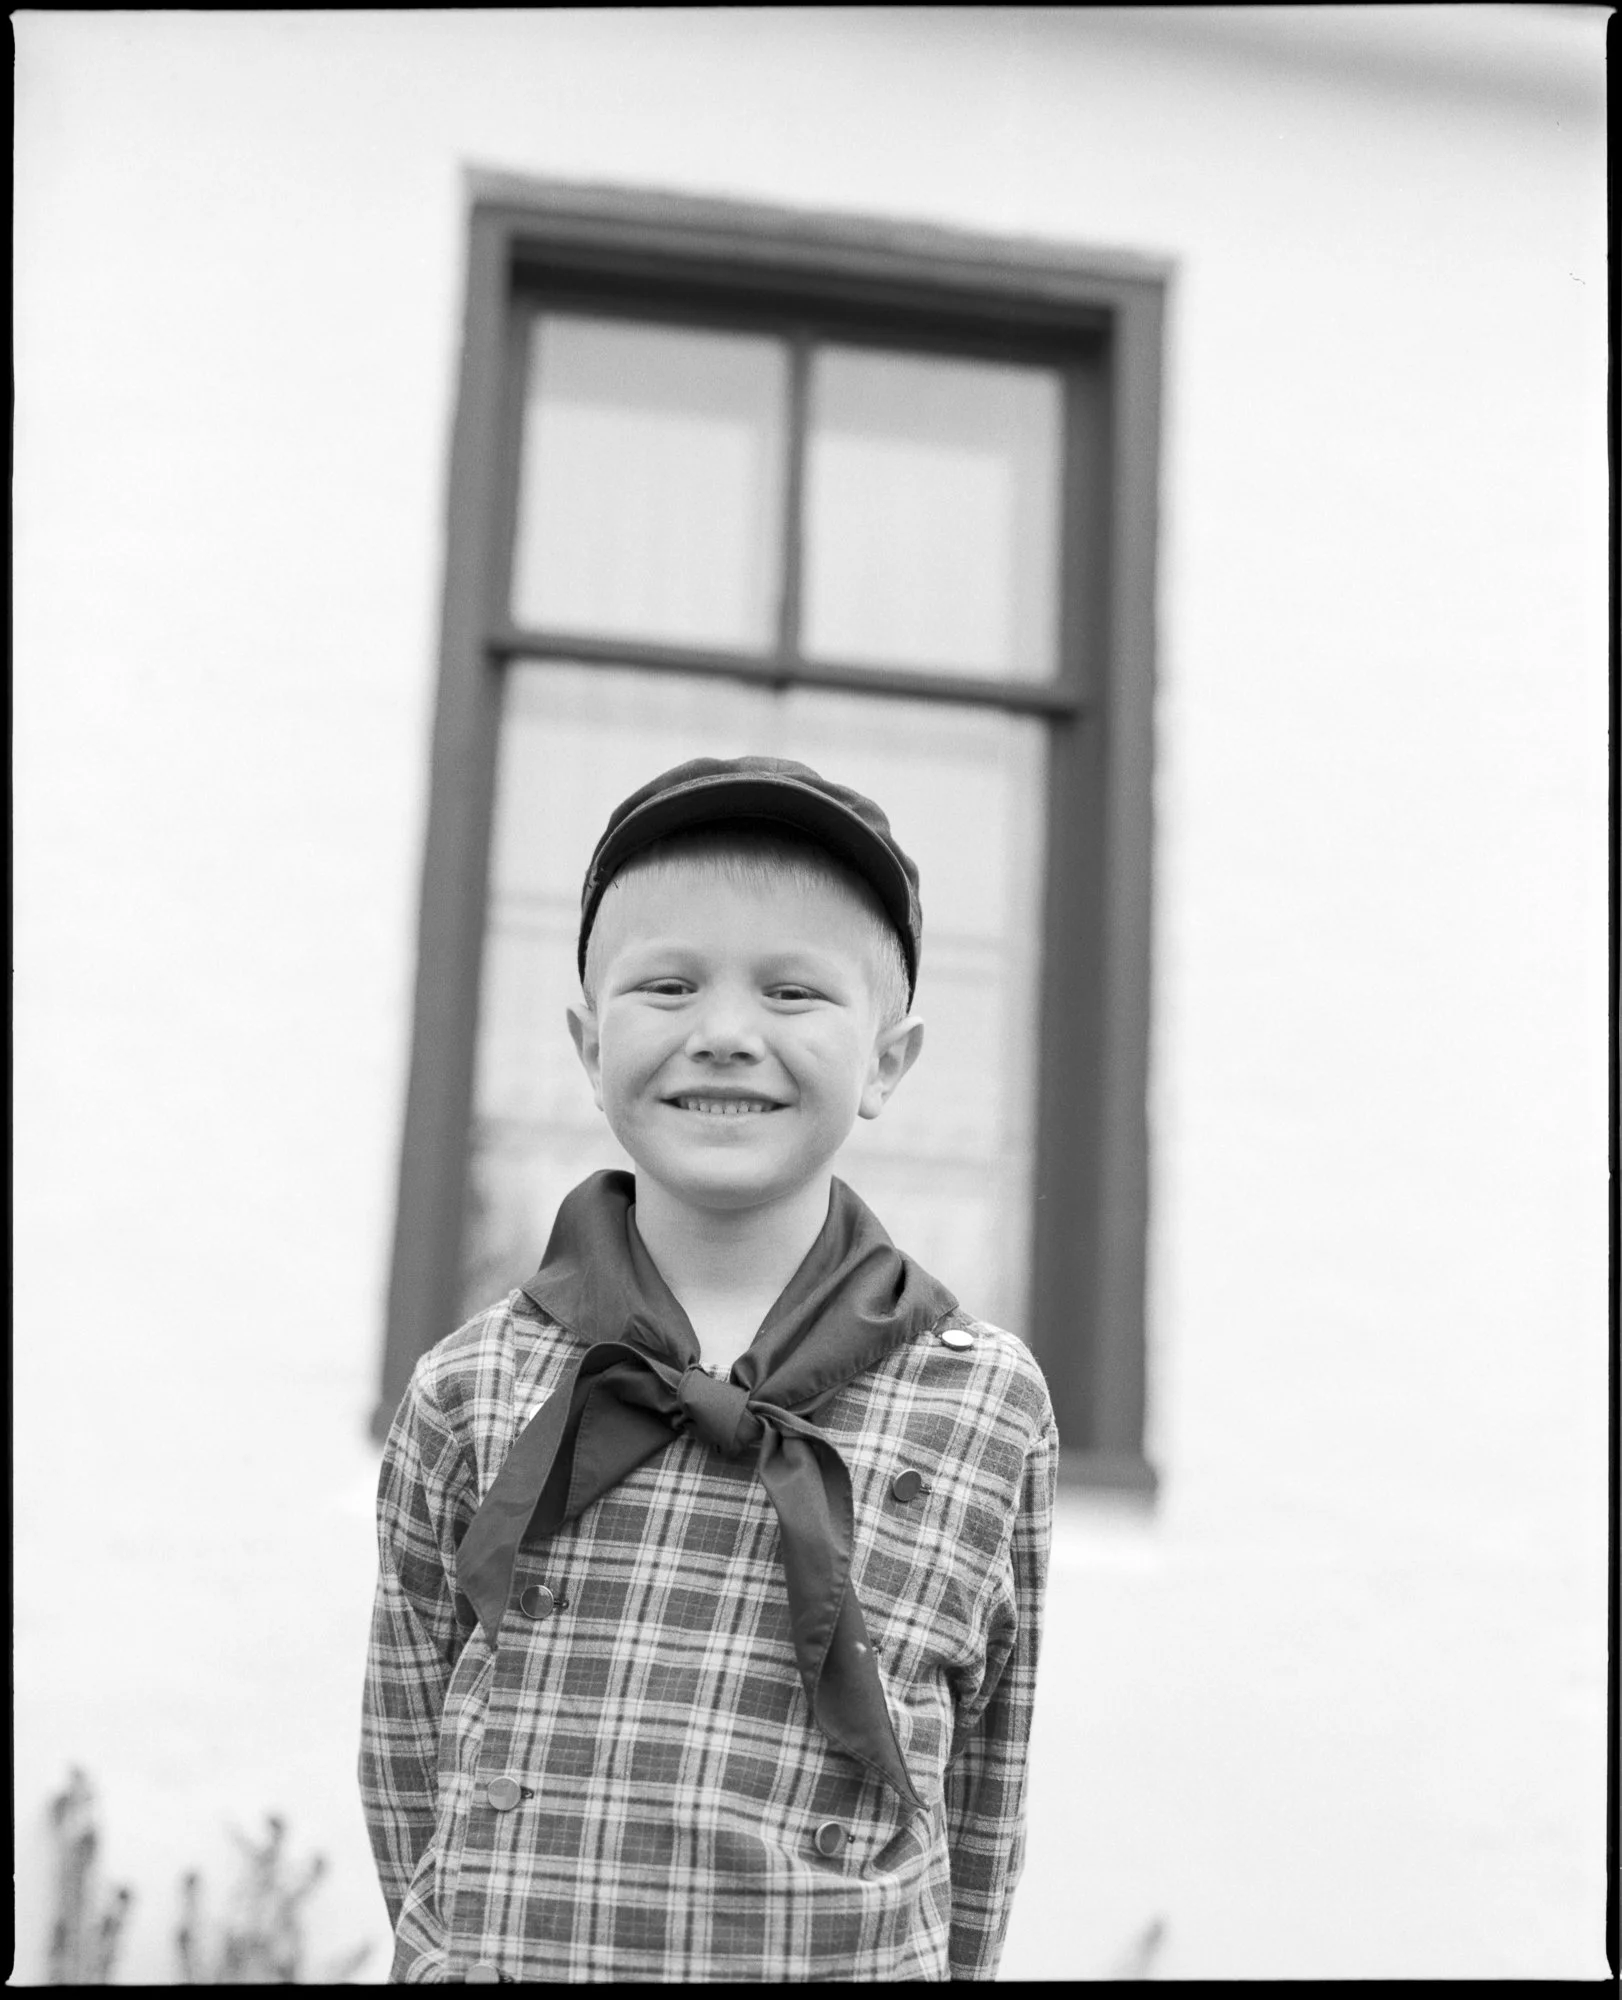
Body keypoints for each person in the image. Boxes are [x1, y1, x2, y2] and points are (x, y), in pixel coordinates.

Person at [359, 754, 1057, 1983]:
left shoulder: (985, 1402)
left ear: (888, 1061)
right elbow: (407, 1747)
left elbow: (985, 1792)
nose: (724, 1034)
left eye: (792, 992)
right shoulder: (469, 1387)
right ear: (588, 1043)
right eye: (668, 983)